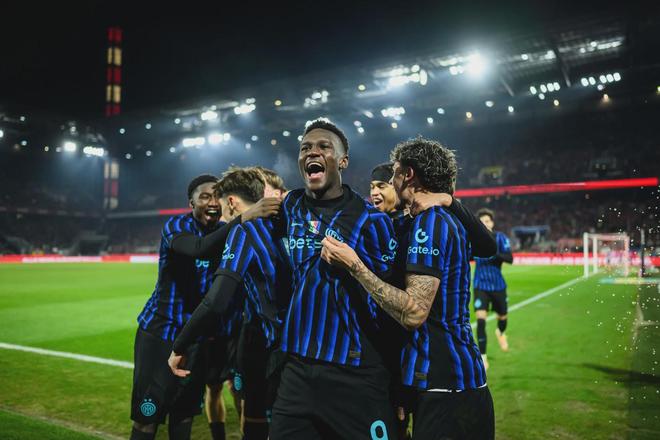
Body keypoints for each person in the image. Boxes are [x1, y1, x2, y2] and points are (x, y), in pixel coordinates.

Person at [321, 137, 495, 439]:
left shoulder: (431, 223)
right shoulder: (422, 221)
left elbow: (414, 313)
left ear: (408, 174)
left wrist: (355, 266)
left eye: (393, 175)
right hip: (449, 383)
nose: (390, 182)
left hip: (447, 386)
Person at [268, 118, 400, 440]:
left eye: (323, 147)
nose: (312, 152)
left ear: (342, 161)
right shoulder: (290, 207)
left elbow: (391, 306)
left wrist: (399, 385)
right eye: (305, 148)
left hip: (355, 372)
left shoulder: (372, 221)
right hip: (297, 371)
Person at [130, 174, 279, 440]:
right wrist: (243, 217)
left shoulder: (227, 232)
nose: (211, 202)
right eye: (204, 197)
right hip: (161, 333)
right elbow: (199, 248)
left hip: (196, 339)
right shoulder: (177, 226)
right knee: (147, 418)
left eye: (215, 197)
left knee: (184, 415)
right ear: (191, 203)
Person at [169, 167, 290, 440]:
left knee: (267, 424)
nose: (221, 214)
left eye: (222, 205)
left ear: (232, 202)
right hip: (308, 345)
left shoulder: (244, 230)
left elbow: (216, 301)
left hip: (277, 347)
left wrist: (180, 345)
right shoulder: (288, 223)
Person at [473, 208, 513, 370]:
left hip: (498, 285)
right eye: (482, 221)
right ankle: (483, 357)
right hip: (480, 285)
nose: (485, 224)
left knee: (503, 317)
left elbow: (510, 258)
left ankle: (501, 332)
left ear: (492, 223)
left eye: (487, 221)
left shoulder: (500, 238)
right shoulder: (474, 239)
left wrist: (493, 251)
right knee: (480, 320)